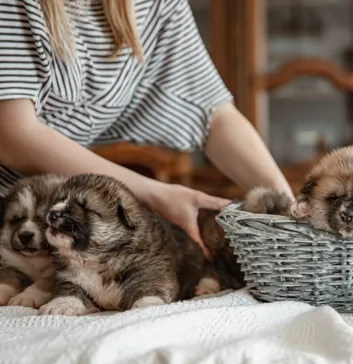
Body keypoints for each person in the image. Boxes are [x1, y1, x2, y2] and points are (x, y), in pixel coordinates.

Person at [0, 0, 294, 257]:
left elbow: (214, 115)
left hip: (51, 226)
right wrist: (154, 194)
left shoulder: (152, 6)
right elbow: (12, 134)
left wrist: (289, 210)